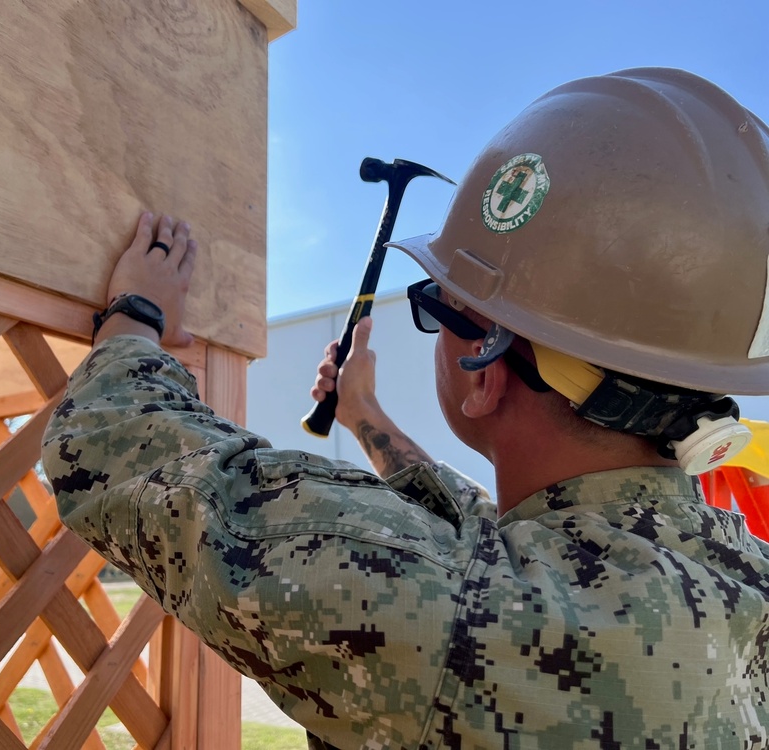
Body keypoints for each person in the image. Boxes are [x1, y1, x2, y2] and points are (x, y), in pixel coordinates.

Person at [42, 68, 769, 749]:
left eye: (437, 309)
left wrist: (135, 313)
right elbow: (480, 540)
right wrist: (365, 417)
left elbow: (114, 446)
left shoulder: (469, 622)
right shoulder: (729, 572)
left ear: (486, 369)